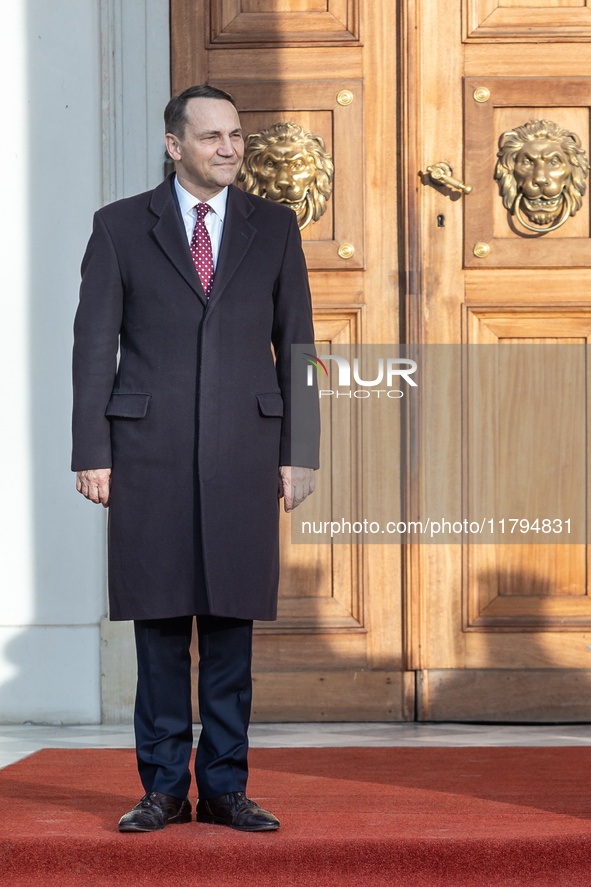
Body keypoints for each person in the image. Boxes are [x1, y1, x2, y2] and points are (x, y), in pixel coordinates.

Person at [71, 84, 320, 833]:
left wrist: (298, 450)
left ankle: (222, 786)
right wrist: (92, 450)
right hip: (145, 453)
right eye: (212, 136)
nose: (230, 148)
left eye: (236, 135)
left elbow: (298, 347)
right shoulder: (118, 228)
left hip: (245, 449)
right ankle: (161, 788)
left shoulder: (273, 227)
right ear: (173, 145)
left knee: (228, 623)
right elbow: (92, 348)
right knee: (157, 624)